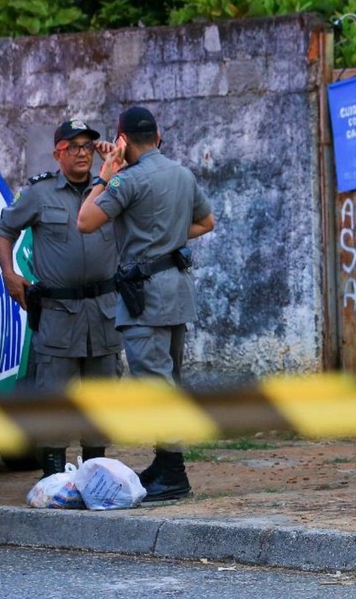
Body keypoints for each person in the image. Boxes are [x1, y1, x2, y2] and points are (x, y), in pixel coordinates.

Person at [77, 106, 215, 502]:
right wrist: (169, 236)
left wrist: (105, 174)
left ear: (122, 140)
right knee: (168, 381)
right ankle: (164, 461)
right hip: (176, 291)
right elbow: (207, 223)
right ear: (157, 136)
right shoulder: (182, 174)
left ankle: (173, 475)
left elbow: (85, 221)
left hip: (146, 298)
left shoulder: (128, 181)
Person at [0, 119, 122, 478]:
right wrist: (8, 273)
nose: (82, 152)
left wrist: (118, 165)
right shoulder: (39, 193)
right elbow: (3, 229)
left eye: (88, 146)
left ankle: (96, 471)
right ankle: (52, 478)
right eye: (73, 146)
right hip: (58, 313)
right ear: (57, 153)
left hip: (103, 311)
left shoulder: (112, 188)